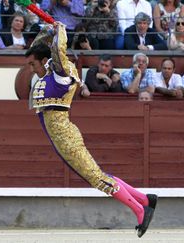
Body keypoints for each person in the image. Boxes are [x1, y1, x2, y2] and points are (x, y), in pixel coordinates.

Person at [26, 21, 156, 238]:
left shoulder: (61, 71)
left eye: (33, 65)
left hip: (65, 136)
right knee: (99, 174)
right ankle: (144, 199)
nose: (32, 69)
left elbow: (57, 50)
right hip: (61, 135)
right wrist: (47, 29)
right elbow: (42, 46)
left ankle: (140, 210)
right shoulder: (50, 73)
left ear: (44, 61)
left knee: (96, 178)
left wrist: (59, 29)